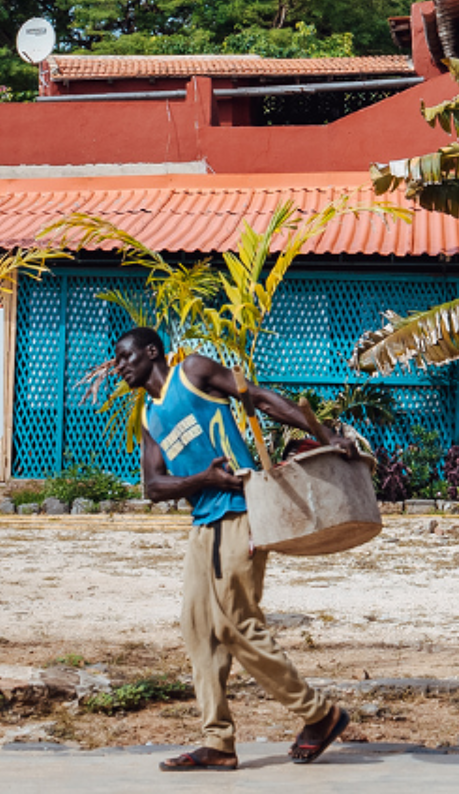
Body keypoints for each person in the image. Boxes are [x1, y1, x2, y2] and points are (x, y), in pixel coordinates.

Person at [111, 326, 354, 772]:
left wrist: (324, 434)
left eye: (126, 356)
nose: (120, 366)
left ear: (151, 352)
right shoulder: (149, 417)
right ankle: (217, 741)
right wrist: (202, 479)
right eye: (117, 360)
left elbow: (259, 397)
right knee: (198, 628)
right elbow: (152, 485)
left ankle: (320, 714)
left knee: (238, 623)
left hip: (240, 510)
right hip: (204, 524)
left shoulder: (193, 372)